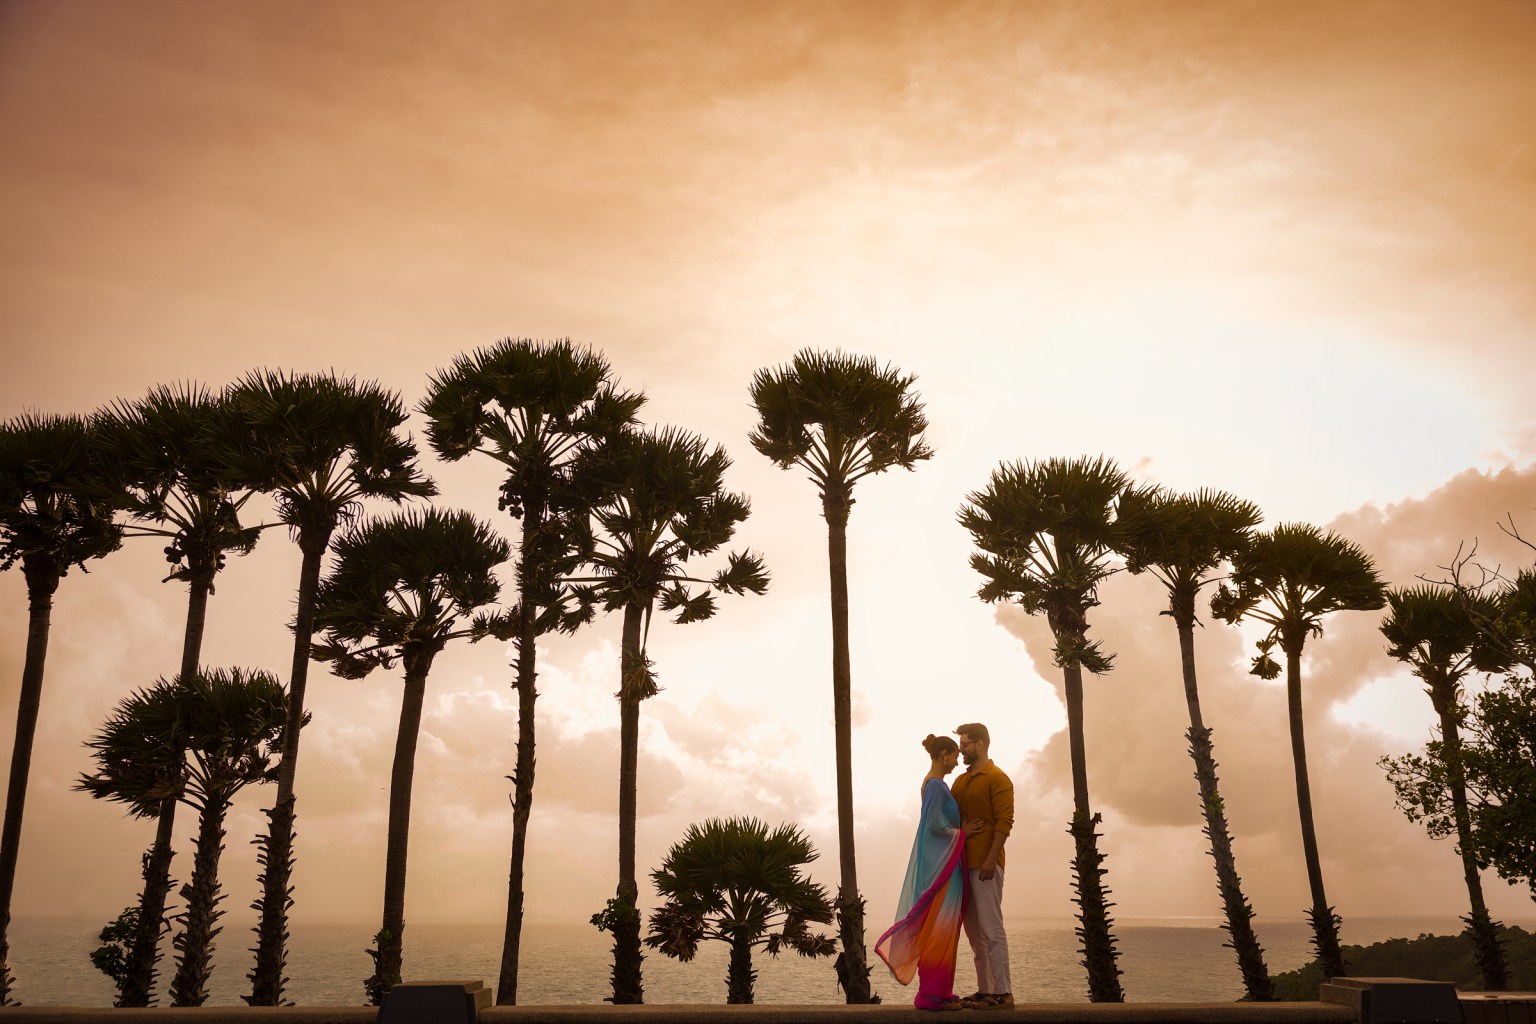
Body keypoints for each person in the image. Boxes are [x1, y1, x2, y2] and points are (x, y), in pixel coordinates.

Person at [874, 734, 967, 1011]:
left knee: (940, 928)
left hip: (943, 864)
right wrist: (964, 833)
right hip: (944, 867)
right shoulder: (937, 786)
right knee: (940, 929)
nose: (957, 761)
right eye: (954, 756)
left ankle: (939, 991)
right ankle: (932, 995)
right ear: (943, 755)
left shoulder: (931, 784)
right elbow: (935, 828)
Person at [951, 722, 1014, 1010]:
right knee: (975, 934)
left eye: (965, 744)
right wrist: (961, 829)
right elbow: (952, 819)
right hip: (963, 866)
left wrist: (991, 858)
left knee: (992, 928)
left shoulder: (998, 778)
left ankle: (1003, 993)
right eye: (961, 744)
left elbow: (1004, 823)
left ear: (980, 744)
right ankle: (985, 990)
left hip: (986, 866)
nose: (961, 749)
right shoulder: (961, 782)